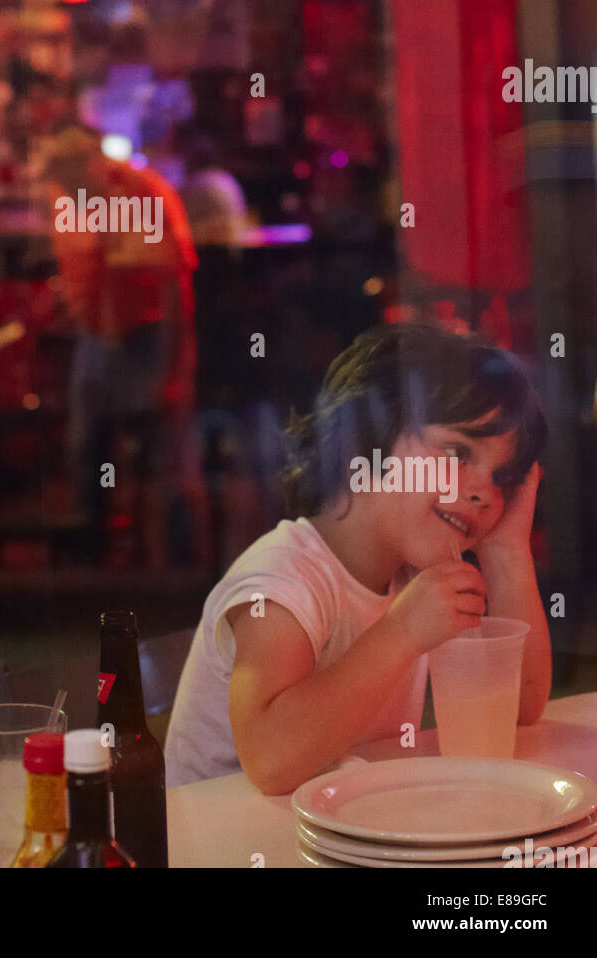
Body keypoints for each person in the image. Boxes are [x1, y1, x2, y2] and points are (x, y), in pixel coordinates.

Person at [164, 322, 550, 791]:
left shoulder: (418, 578)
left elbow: (522, 705)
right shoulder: (282, 579)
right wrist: (403, 632)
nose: (485, 494)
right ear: (363, 439)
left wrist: (506, 549)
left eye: (501, 477)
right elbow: (269, 760)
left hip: (337, 832)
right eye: (459, 452)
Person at [41, 124, 199, 565]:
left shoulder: (145, 193)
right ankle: (94, 562)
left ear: (92, 167)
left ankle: (172, 571)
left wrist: (175, 371)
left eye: (69, 179)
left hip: (146, 337)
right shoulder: (68, 195)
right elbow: (80, 266)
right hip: (97, 335)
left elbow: (174, 287)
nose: (62, 191)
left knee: (161, 458)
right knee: (84, 447)